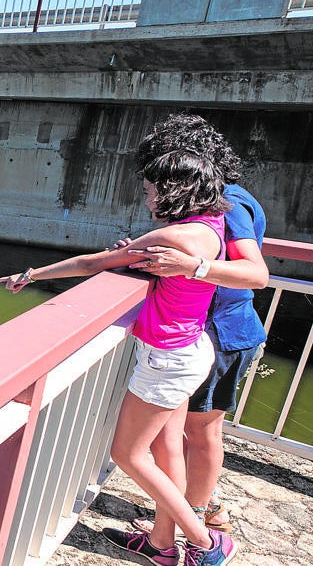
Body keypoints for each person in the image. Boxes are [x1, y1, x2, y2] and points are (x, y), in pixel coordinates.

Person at [0, 148, 237, 566]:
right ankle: (161, 546)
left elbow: (92, 263)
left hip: (167, 357)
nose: (146, 200)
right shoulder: (211, 227)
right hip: (191, 348)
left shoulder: (169, 238)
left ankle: (205, 544)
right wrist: (140, 256)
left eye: (148, 191)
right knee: (167, 449)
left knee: (129, 454)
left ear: (171, 190)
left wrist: (31, 275)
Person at [118, 114, 269, 537]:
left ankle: (200, 518)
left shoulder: (229, 202)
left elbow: (255, 274)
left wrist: (191, 265)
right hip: (210, 329)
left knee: (200, 431)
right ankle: (178, 524)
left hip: (222, 330)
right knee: (180, 433)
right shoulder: (229, 198)